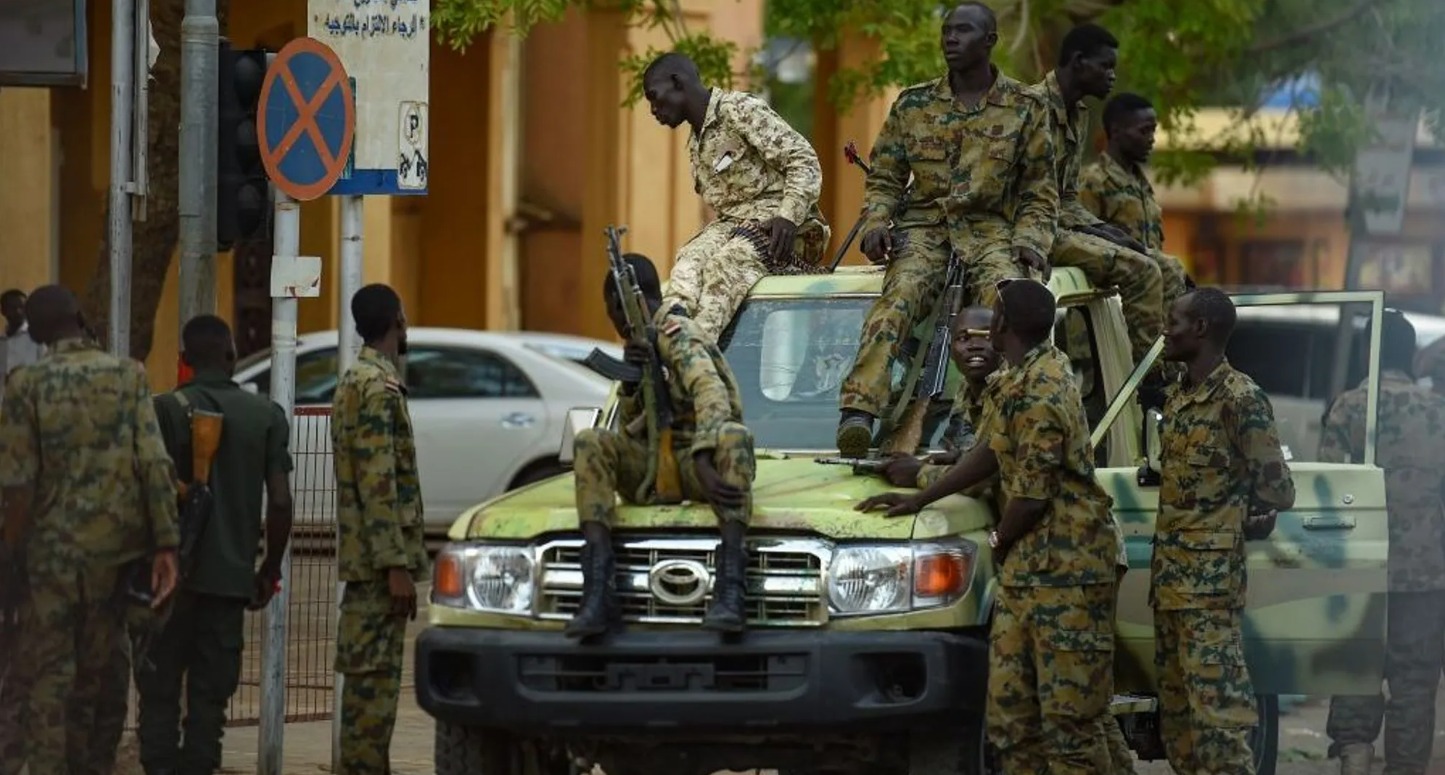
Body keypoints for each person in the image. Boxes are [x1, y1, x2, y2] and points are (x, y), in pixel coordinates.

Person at [857, 278, 1121, 774]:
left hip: (1068, 571)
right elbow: (987, 454)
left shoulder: (1043, 388)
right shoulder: (1020, 378)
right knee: (1009, 719)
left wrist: (998, 539)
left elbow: (1029, 493)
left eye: (991, 319)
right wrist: (921, 496)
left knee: (1072, 725)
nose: (981, 332)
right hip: (1028, 572)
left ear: (1004, 327)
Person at [835, 2, 1058, 458]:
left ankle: (977, 421)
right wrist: (877, 221)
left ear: (991, 40)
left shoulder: (1026, 106)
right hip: (923, 228)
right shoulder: (913, 104)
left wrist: (1031, 241)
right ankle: (859, 411)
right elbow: (885, 176)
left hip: (991, 229)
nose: (950, 39)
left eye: (963, 31)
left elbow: (1040, 189)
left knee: (1009, 307)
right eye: (946, 31)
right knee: (897, 300)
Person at [0, 284, 179, 775]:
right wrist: (167, 544)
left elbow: (16, 485)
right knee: (95, 680)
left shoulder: (25, 385)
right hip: (113, 562)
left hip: (49, 563)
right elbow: (154, 464)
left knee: (48, 681)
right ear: (80, 316)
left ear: (34, 333)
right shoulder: (128, 377)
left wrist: (9, 559)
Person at [135, 314, 295, 775]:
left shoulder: (163, 409)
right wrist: (270, 568)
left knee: (158, 694)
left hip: (164, 583)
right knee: (209, 705)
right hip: (228, 582)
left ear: (184, 360)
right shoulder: (265, 415)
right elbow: (281, 502)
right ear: (231, 356)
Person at [567, 253, 756, 638]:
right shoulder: (644, 341)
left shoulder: (676, 332)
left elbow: (711, 393)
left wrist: (704, 456)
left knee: (734, 439)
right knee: (590, 441)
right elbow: (637, 424)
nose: (615, 321)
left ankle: (731, 589)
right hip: (655, 464)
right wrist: (633, 381)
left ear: (629, 304)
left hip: (695, 467)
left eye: (613, 310)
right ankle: (599, 590)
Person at [1152, 287, 1295, 775]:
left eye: (1173, 321)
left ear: (1201, 328)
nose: (1165, 331)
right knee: (1178, 726)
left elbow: (1277, 489)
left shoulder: (1240, 397)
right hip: (1169, 585)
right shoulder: (1179, 396)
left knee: (1220, 724)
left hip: (1209, 591)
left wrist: (1248, 510)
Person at [1320, 311, 1445, 775]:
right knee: (1414, 685)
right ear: (1410, 354)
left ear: (1365, 352)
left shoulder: (1349, 407)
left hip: (1360, 570)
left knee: (1356, 670)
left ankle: (1354, 758)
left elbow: (1330, 491)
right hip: (1426, 573)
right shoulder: (1437, 412)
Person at [641, 51, 828, 341]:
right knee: (688, 262)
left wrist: (788, 216)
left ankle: (696, 352)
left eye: (655, 96)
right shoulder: (696, 142)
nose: (653, 109)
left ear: (677, 82)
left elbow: (802, 159)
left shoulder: (738, 110)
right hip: (735, 226)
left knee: (726, 264)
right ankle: (671, 336)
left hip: (786, 230)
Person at [331, 284, 430, 775]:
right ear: (397, 318)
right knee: (372, 699)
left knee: (373, 697)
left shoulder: (361, 380)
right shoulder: (375, 386)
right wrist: (395, 565)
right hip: (375, 570)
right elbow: (378, 481)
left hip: (369, 564)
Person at [1030, 24, 1166, 368]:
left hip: (1058, 224)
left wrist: (1108, 232)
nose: (1112, 75)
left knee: (1169, 267)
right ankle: (1149, 380)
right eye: (1105, 66)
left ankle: (1173, 372)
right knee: (1143, 270)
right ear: (1078, 62)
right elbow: (1018, 195)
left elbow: (1068, 199)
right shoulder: (1029, 108)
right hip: (1031, 230)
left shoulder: (1078, 115)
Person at [1078, 92, 1191, 315]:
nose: (1151, 138)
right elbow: (1082, 244)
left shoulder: (1140, 184)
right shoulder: (1093, 181)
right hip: (1108, 310)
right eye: (1143, 130)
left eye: (1153, 130)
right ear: (1117, 131)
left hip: (1149, 305)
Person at [875, 305, 1003, 490]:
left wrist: (920, 474)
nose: (975, 345)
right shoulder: (970, 390)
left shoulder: (1017, 395)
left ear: (1003, 342)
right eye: (963, 338)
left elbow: (998, 476)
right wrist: (960, 456)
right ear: (951, 350)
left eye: (987, 337)